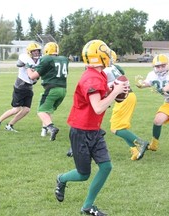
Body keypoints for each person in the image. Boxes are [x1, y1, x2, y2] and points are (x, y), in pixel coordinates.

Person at [55, 39, 127, 215]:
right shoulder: (91, 77)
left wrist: (111, 88)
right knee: (83, 174)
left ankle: (87, 206)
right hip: (81, 131)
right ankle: (61, 179)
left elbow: (100, 96)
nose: (109, 56)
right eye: (106, 53)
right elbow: (98, 107)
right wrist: (116, 92)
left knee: (106, 166)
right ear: (100, 56)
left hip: (94, 130)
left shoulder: (99, 74)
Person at [103, 50, 149, 160]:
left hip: (124, 98)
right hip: (128, 96)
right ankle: (135, 150)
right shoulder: (113, 68)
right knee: (120, 127)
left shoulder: (104, 71)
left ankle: (140, 143)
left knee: (116, 128)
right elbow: (121, 73)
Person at [0, 42, 41, 132]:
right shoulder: (25, 57)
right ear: (29, 52)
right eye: (34, 51)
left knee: (26, 110)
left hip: (29, 87)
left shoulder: (39, 60)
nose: (36, 52)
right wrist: (26, 65)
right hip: (21, 86)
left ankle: (10, 125)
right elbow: (18, 63)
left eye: (37, 51)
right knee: (16, 109)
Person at [27, 42, 68, 141]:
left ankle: (51, 128)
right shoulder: (64, 59)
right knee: (47, 110)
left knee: (41, 111)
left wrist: (28, 68)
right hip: (63, 90)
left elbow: (32, 76)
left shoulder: (47, 59)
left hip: (52, 89)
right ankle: (44, 131)